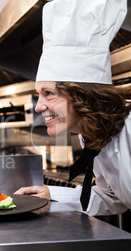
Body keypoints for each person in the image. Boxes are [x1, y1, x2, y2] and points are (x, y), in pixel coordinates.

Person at [14, 0, 131, 216]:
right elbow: (112, 197)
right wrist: (51, 196)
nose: (39, 107)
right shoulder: (91, 132)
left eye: (48, 93)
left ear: (82, 96)